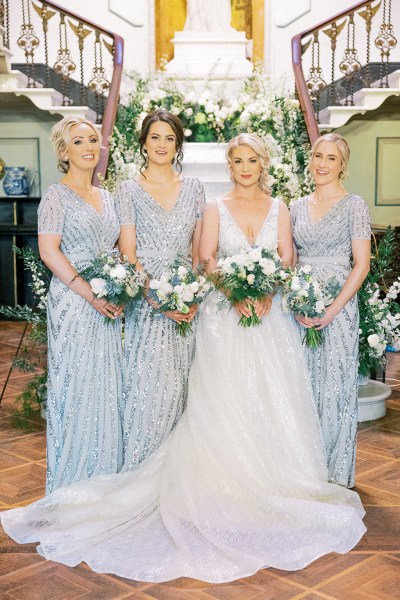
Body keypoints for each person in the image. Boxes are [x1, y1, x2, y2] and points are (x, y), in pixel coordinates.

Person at [0, 133, 366, 583]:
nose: (244, 167)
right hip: (223, 318)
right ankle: (215, 483)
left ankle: (274, 480)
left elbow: (287, 259)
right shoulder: (212, 206)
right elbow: (207, 259)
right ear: (229, 165)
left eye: (252, 160)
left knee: (273, 399)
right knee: (221, 401)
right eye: (237, 160)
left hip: (271, 320)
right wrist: (235, 292)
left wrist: (266, 292)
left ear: (263, 164)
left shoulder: (282, 208)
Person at [115, 109, 206, 471]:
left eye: (170, 138)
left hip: (186, 301)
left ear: (178, 144)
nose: (162, 145)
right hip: (146, 300)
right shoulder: (127, 190)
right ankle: (142, 466)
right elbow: (127, 254)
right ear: (143, 142)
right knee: (148, 386)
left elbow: (200, 254)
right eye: (155, 137)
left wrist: (191, 294)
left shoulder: (195, 189)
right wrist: (156, 298)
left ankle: (179, 472)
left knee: (184, 385)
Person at [37, 116, 124, 493]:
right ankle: (72, 482)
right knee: (76, 386)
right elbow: (48, 251)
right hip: (75, 302)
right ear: (64, 151)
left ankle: (104, 478)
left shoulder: (106, 196)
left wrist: (121, 286)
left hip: (108, 303)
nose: (89, 147)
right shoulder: (56, 196)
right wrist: (90, 292)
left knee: (107, 387)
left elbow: (117, 249)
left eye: (93, 139)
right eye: (79, 142)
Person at [291, 133, 371, 488]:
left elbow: (362, 264)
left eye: (331, 159)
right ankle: (305, 472)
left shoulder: (354, 205)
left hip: (338, 309)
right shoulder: (295, 207)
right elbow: (290, 262)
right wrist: (296, 305)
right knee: (302, 389)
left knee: (335, 388)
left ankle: (336, 475)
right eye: (317, 156)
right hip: (301, 307)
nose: (322, 164)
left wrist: (333, 310)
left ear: (343, 165)